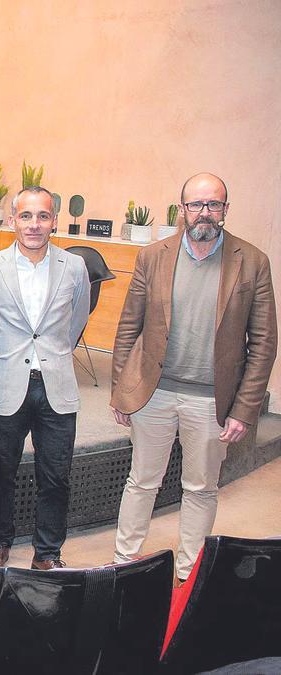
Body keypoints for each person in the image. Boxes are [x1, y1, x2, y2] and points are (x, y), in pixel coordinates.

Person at [111, 172, 276, 581]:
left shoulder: (251, 261)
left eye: (214, 204)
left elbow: (264, 343)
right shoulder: (153, 256)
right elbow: (128, 327)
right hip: (154, 394)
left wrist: (244, 409)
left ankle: (189, 574)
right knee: (141, 482)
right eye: (197, 204)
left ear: (224, 210)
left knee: (201, 489)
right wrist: (122, 390)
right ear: (181, 208)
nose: (205, 212)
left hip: (211, 401)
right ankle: (123, 564)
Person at [0, 186, 90, 578]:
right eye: (26, 216)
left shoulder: (74, 267)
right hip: (8, 383)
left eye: (43, 216)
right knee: (1, 471)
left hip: (56, 384)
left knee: (56, 475)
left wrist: (54, 355)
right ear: (12, 220)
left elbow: (77, 319)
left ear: (54, 221)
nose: (34, 224)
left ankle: (47, 551)